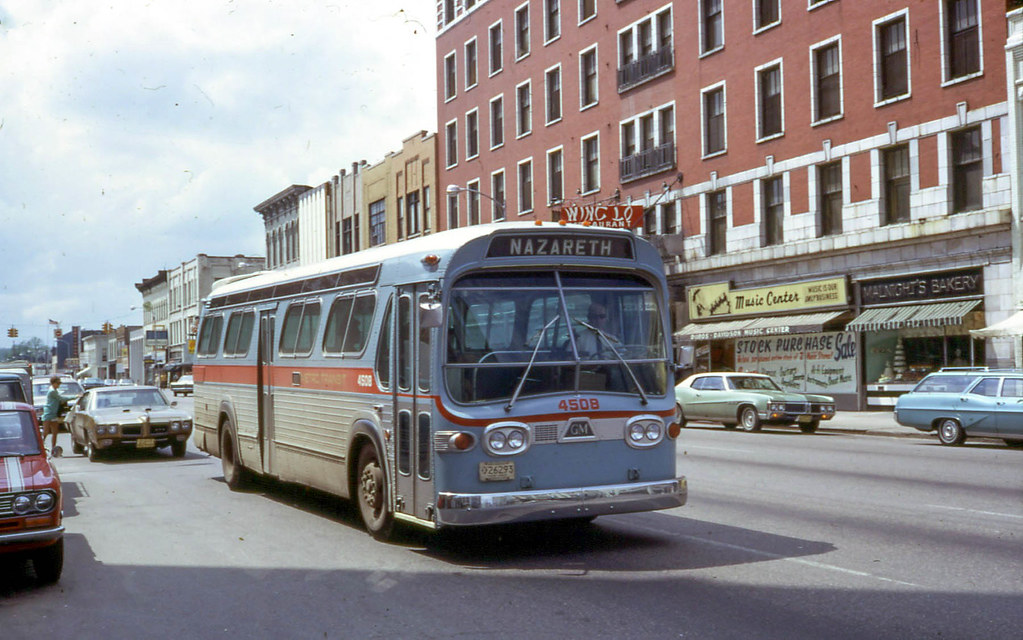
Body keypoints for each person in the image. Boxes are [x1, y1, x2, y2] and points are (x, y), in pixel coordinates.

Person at [41, 376, 63, 457]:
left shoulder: (55, 391)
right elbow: (61, 399)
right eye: (58, 383)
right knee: (46, 432)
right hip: (48, 413)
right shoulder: (52, 391)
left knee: (55, 432)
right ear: (53, 383)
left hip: (54, 414)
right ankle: (40, 446)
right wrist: (75, 397)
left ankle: (53, 449)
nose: (59, 385)